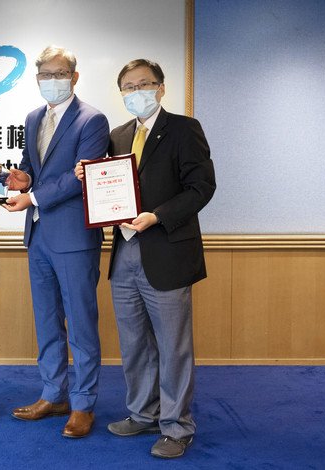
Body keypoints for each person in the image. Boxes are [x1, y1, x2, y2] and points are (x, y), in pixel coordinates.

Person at [75, 59, 216, 458]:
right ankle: (142, 412)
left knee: (173, 345)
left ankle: (176, 426)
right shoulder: (117, 136)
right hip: (124, 252)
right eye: (128, 86)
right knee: (134, 342)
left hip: (166, 248)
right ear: (120, 93)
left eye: (144, 84)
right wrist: (88, 175)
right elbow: (108, 186)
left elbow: (201, 187)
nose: (136, 92)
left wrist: (158, 216)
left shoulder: (184, 129)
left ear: (161, 88)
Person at [4, 46, 110, 438]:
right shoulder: (33, 117)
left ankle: (83, 404)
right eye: (45, 75)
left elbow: (81, 176)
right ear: (36, 79)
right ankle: (54, 394)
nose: (52, 81)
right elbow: (36, 169)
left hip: (75, 237)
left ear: (75, 77)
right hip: (39, 236)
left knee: (81, 324)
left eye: (59, 73)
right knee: (47, 320)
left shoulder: (92, 120)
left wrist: (32, 196)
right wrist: (23, 180)